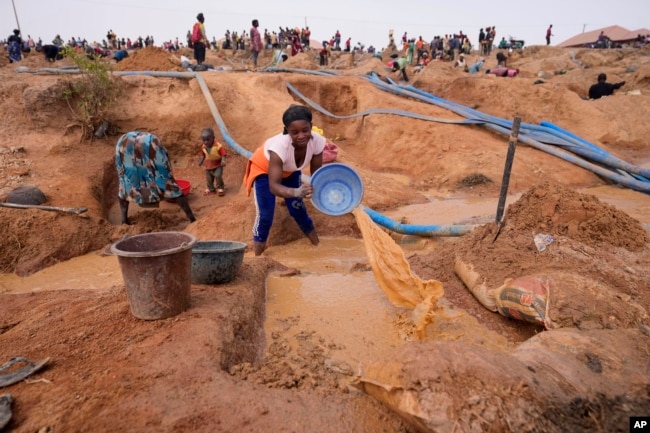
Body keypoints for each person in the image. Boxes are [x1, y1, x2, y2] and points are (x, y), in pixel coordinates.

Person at [243, 105, 325, 256]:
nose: (301, 136)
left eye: (305, 130)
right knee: (266, 215)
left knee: (298, 209)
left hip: (291, 171)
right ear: (287, 131)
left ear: (311, 127)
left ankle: (317, 245)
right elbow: (274, 186)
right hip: (264, 171)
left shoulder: (318, 141)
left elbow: (317, 174)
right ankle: (258, 256)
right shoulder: (279, 147)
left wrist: (323, 192)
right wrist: (295, 191)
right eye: (295, 132)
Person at [116, 131, 196, 225]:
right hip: (147, 147)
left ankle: (124, 221)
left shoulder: (122, 141)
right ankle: (192, 219)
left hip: (125, 148)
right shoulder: (154, 144)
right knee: (170, 186)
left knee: (125, 186)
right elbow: (165, 167)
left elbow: (121, 172)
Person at [198, 127, 227, 196]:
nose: (205, 142)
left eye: (208, 140)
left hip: (218, 164)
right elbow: (203, 155)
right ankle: (211, 189)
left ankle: (220, 187)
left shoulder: (218, 146)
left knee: (218, 175)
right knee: (208, 177)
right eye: (204, 140)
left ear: (213, 138)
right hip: (208, 165)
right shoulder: (203, 147)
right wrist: (201, 161)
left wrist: (223, 160)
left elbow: (223, 154)